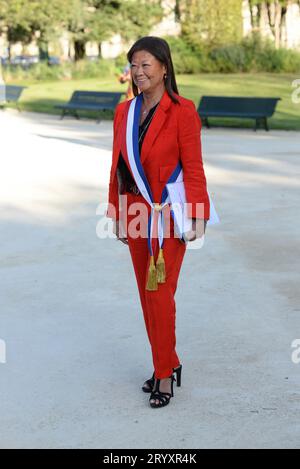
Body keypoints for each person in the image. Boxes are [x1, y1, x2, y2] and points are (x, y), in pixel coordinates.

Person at [107, 36, 210, 409]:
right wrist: (117, 211)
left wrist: (198, 213)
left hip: (168, 213)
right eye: (133, 65)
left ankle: (163, 375)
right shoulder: (125, 112)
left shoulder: (183, 111)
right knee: (147, 296)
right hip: (135, 211)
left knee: (159, 294)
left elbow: (194, 167)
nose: (138, 72)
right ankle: (168, 361)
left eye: (146, 64)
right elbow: (118, 166)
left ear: (164, 68)